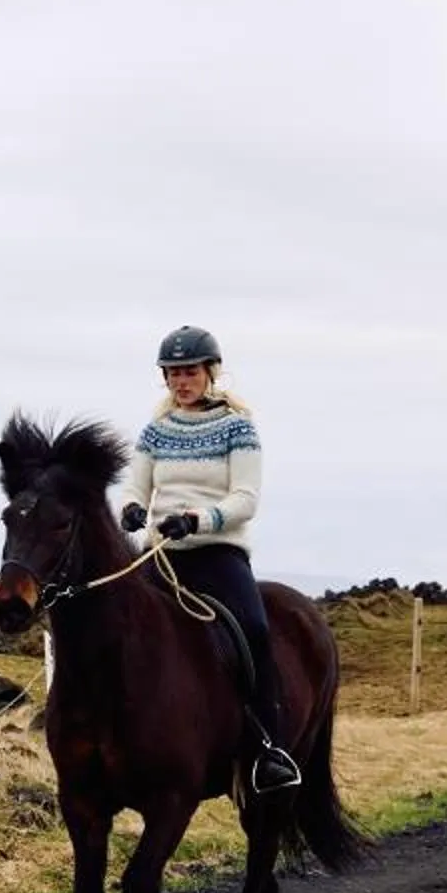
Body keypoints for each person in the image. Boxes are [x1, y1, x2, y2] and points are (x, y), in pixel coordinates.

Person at [119, 324, 301, 792]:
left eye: (190, 371)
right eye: (173, 373)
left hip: (218, 554)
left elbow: (245, 499)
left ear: (211, 373)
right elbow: (134, 487)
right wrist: (132, 510)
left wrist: (198, 520)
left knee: (256, 631)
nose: (181, 381)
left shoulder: (237, 428)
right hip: (161, 556)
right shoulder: (155, 431)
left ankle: (268, 750)